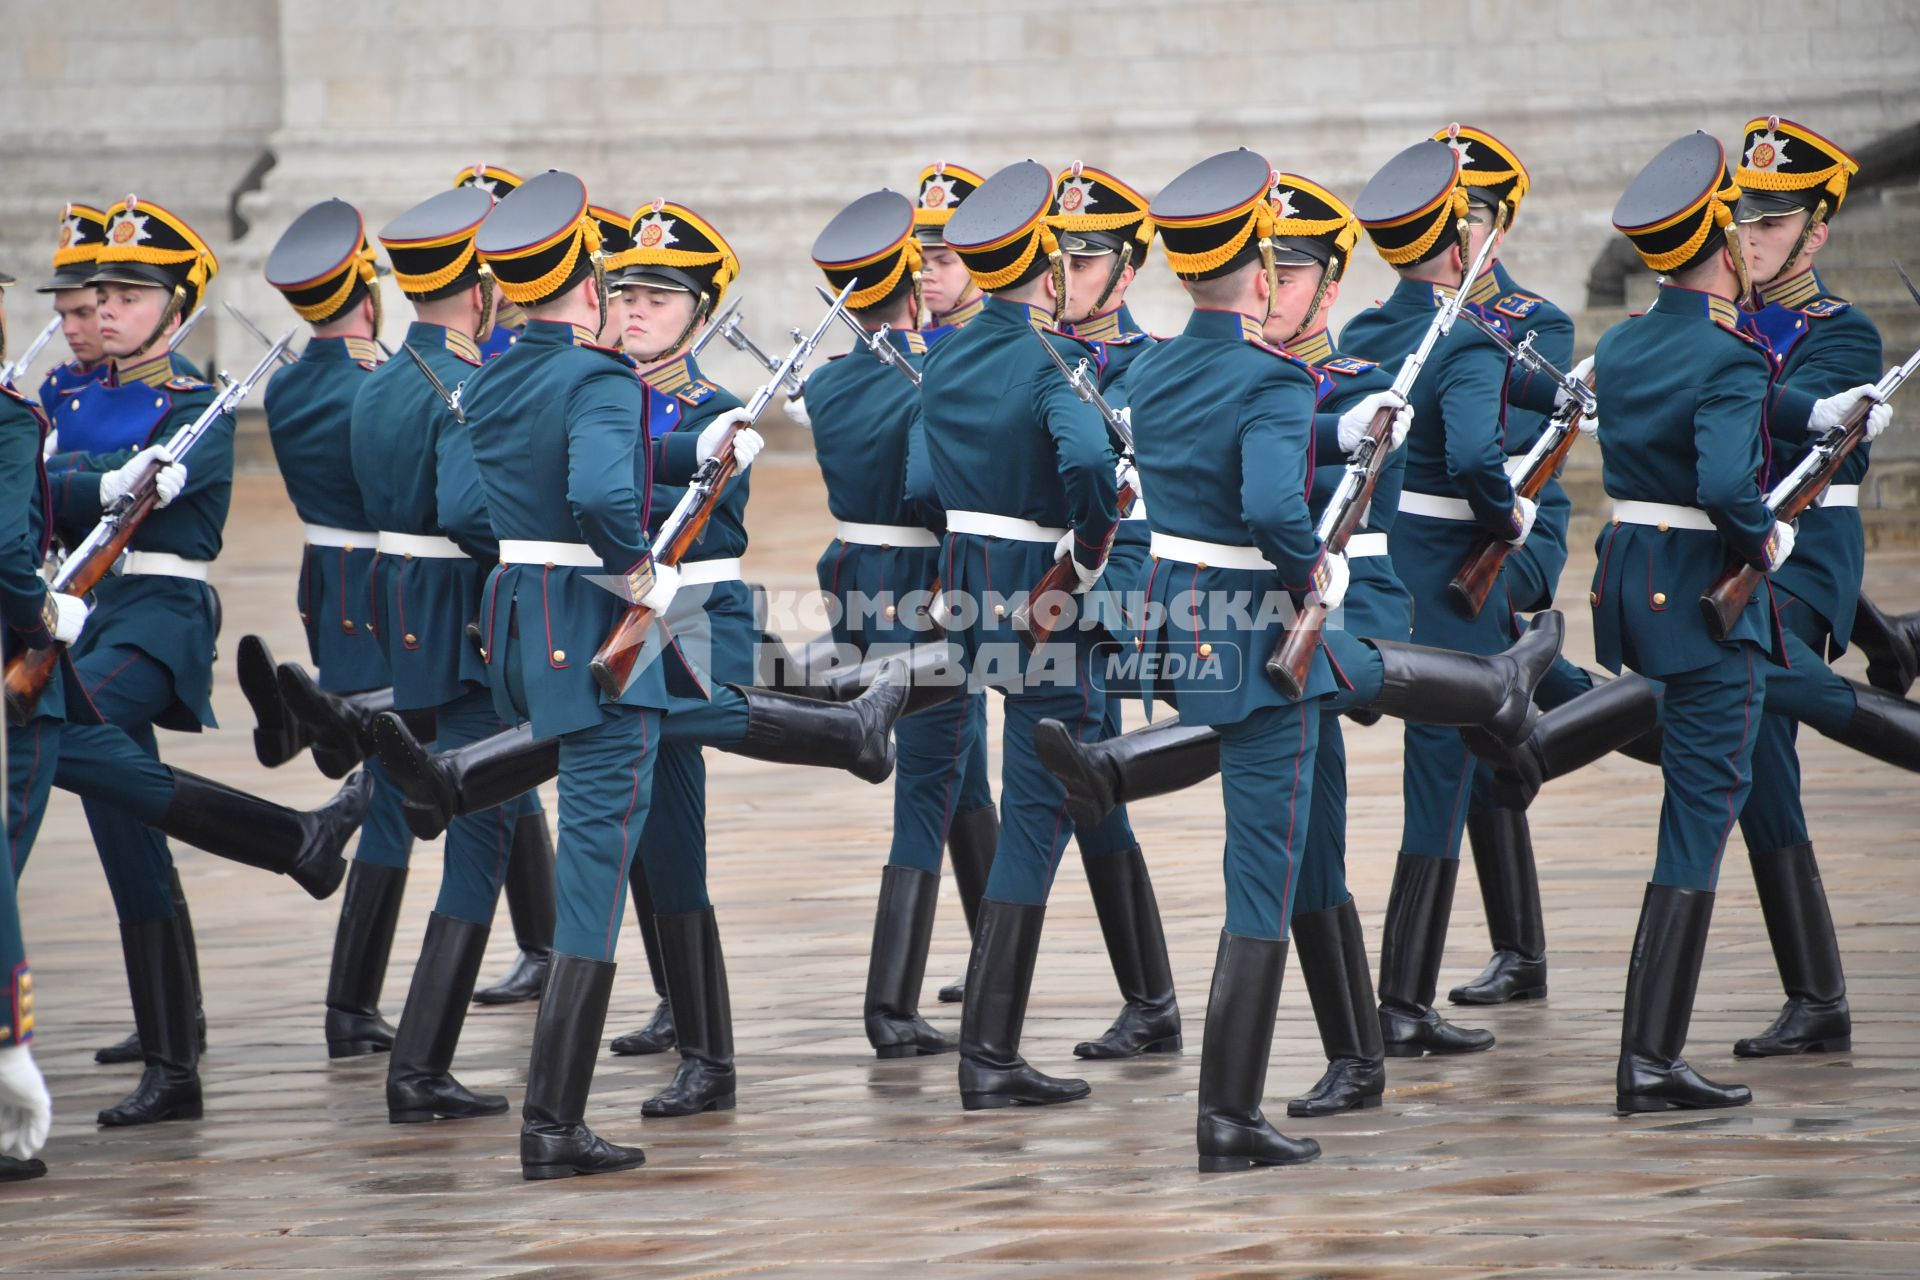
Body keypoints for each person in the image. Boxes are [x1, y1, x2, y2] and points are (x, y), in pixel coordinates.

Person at [1124, 147, 1334, 1170]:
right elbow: (1268, 505)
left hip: (1180, 617)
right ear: (1258, 267)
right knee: (1262, 867)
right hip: (1256, 627)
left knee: (1250, 848)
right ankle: (1230, 1115)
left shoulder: (1154, 366)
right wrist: (1317, 572)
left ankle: (1230, 1111)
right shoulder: (1273, 377)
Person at [909, 158, 1118, 1112]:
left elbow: (924, 483)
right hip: (1042, 602)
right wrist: (1085, 553)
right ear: (1042, 268)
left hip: (969, 593)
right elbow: (1087, 465)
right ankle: (989, 1055)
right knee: (1037, 815)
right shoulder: (1050, 359)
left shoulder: (946, 352)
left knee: (1037, 793)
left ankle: (995, 1047)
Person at [1338, 140, 1536, 1059]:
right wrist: (1513, 516)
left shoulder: (1368, 332)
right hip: (1461, 579)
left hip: (1396, 569)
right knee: (1444, 784)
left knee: (1457, 768)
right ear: (1461, 239)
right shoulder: (1470, 334)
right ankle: (1404, 1002)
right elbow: (1470, 456)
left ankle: (1431, 987)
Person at [259, 198, 422, 1059]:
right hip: (383, 588)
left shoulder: (288, 384)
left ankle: (312, 726)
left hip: (326, 586)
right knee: (399, 774)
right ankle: (351, 1005)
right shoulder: (376, 381)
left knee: (404, 754)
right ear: (369, 289)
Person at [34, 203, 113, 450]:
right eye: (63, 315)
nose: (69, 329)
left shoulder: (155, 385)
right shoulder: (59, 384)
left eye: (83, 313)